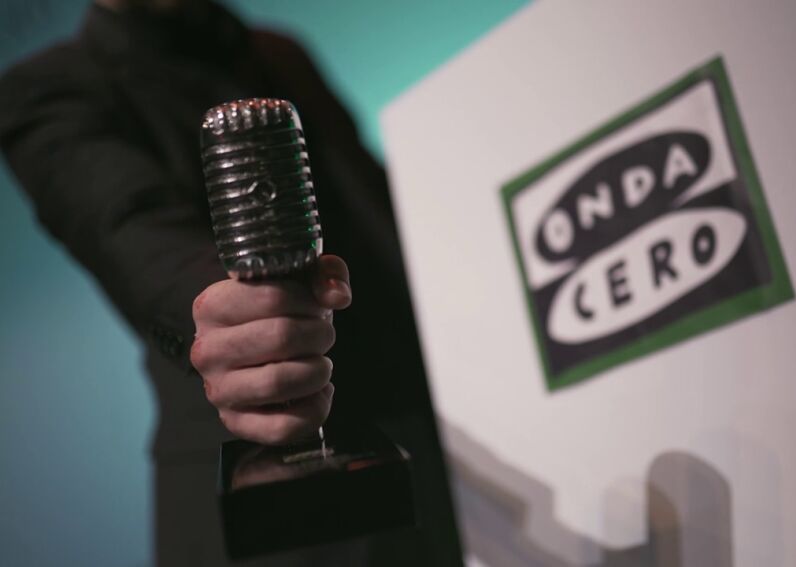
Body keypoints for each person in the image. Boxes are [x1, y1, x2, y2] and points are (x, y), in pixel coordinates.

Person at [0, 1, 462, 565]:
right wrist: (230, 318)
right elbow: (133, 237)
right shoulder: (49, 88)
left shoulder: (278, 52)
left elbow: (374, 206)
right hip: (256, 490)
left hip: (423, 453)